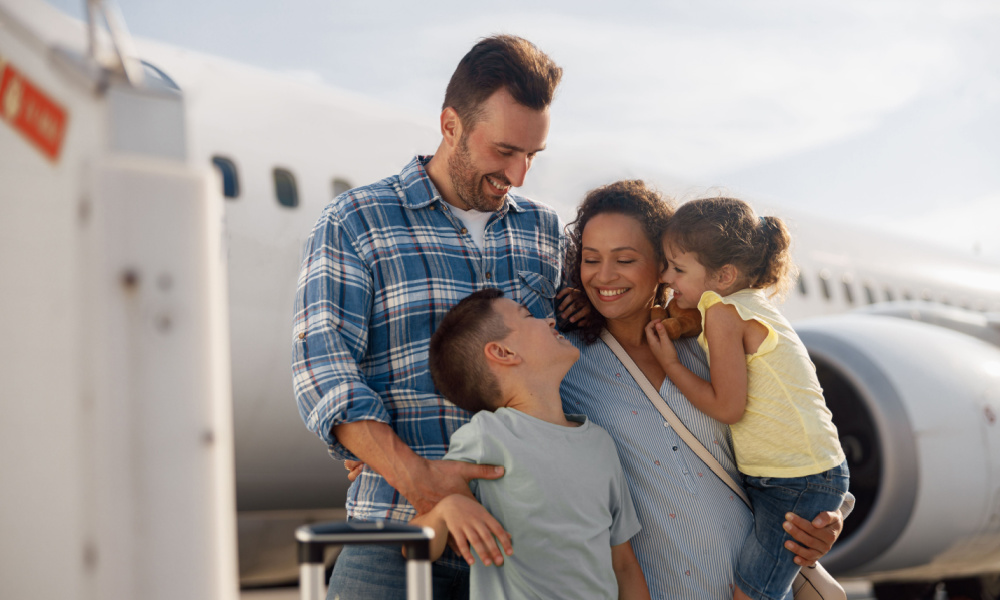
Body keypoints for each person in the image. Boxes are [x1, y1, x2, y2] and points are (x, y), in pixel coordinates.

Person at [292, 35, 576, 599]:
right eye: (504, 152)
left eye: (531, 157)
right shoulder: (356, 220)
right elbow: (322, 370)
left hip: (528, 549)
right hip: (396, 537)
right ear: (450, 125)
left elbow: (580, 371)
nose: (518, 175)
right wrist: (414, 477)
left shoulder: (544, 233)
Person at [558, 180, 853, 599]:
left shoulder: (711, 345)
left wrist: (827, 520)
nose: (604, 276)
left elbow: (799, 442)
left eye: (624, 259)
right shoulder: (566, 364)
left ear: (664, 265)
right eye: (590, 259)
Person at [645, 196, 849, 600]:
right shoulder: (741, 305)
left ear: (723, 276)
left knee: (751, 593)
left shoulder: (723, 314)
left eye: (677, 268)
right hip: (798, 471)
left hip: (795, 479)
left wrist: (670, 365)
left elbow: (727, 406)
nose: (665, 277)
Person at [412, 288, 650, 599]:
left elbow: (624, 565)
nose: (550, 320)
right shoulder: (486, 436)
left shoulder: (600, 443)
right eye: (529, 316)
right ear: (503, 352)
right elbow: (413, 546)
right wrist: (445, 510)